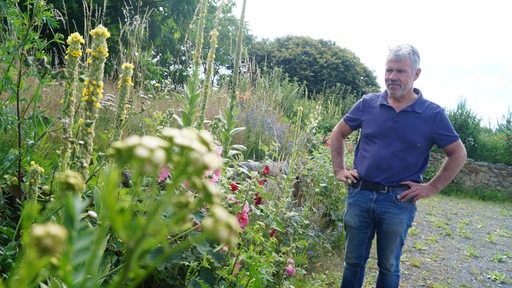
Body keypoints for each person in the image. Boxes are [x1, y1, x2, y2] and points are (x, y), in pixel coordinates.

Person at [330, 44, 467, 288]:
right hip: (359, 195)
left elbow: (457, 153)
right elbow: (338, 133)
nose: (392, 77)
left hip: (398, 201)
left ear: (416, 74)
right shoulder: (367, 104)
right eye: (389, 70)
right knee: (353, 263)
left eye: (400, 71)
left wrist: (430, 188)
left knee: (389, 266)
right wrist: (339, 170)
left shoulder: (432, 114)